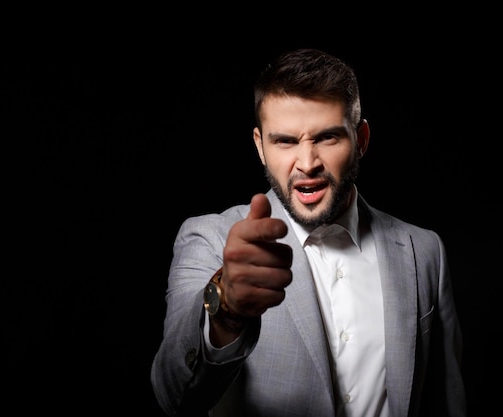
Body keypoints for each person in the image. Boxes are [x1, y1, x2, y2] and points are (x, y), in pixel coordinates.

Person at [150, 48, 467, 417]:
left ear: (361, 139)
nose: (307, 163)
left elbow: (447, 402)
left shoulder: (424, 251)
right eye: (285, 141)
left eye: (328, 137)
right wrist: (227, 314)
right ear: (260, 147)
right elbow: (174, 396)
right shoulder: (209, 240)